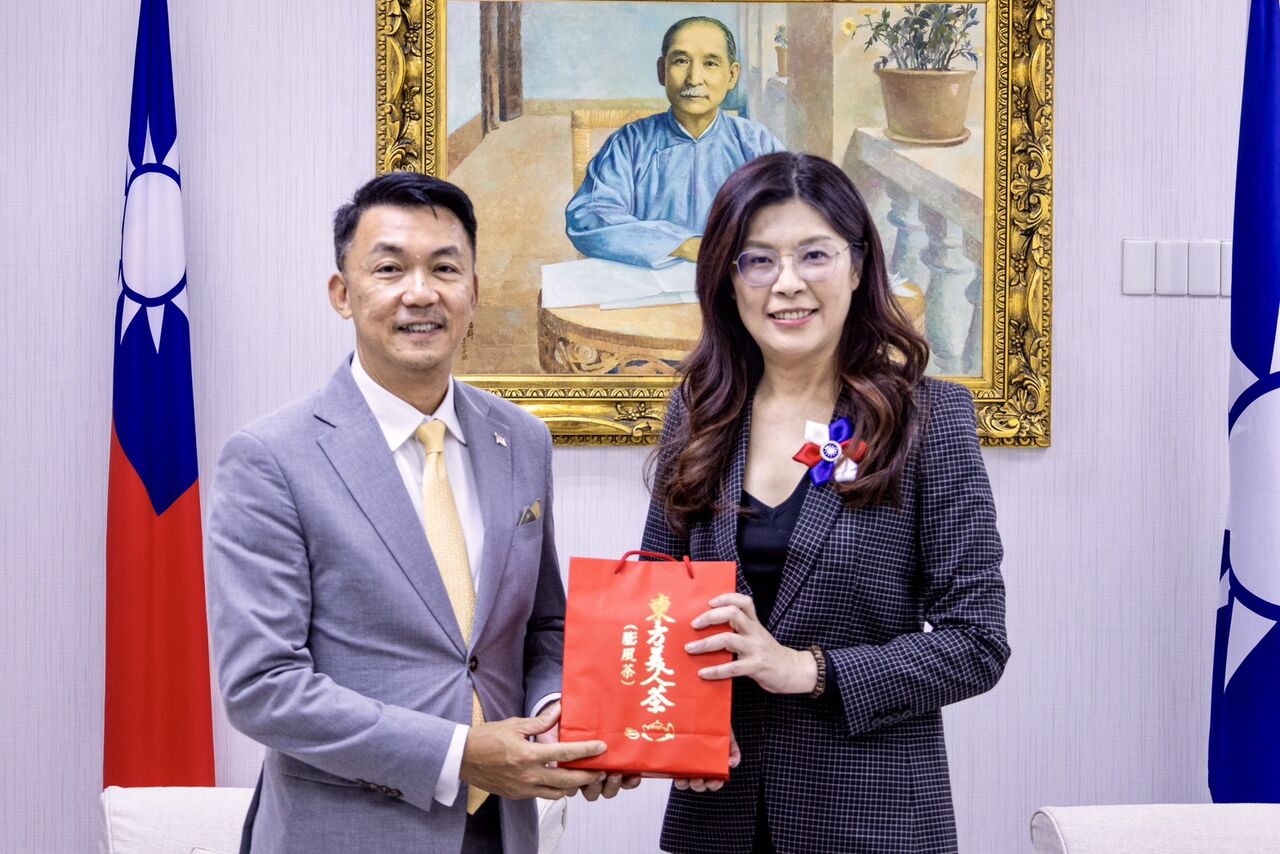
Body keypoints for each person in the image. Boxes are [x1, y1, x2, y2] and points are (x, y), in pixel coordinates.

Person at [206, 172, 632, 854]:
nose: (421, 293)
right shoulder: (271, 458)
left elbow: (543, 626)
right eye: (389, 269)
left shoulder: (522, 440)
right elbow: (263, 687)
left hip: (499, 830)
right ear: (342, 294)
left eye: (444, 268)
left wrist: (560, 713)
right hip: (344, 834)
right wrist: (459, 754)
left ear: (475, 292)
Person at [641, 152, 1010, 854]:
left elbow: (978, 643)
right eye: (758, 261)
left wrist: (807, 669)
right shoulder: (699, 415)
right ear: (728, 279)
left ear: (858, 265)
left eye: (814, 254)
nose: (787, 284)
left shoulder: (926, 420)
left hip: (871, 820)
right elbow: (655, 598)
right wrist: (676, 726)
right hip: (717, 816)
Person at [564, 16, 784, 269]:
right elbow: (588, 216)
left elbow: (792, 213)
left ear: (732, 75)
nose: (694, 78)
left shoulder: (756, 143)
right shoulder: (630, 143)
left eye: (710, 63)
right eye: (681, 61)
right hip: (644, 283)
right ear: (662, 71)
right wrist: (682, 245)